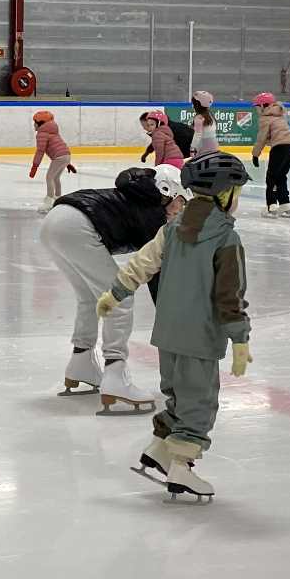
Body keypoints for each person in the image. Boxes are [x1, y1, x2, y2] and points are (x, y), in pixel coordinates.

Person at [96, 154, 252, 503]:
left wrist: (115, 293)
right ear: (224, 194)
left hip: (167, 335)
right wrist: (240, 339)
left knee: (178, 394)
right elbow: (230, 295)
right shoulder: (226, 240)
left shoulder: (171, 228)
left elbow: (142, 263)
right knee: (199, 402)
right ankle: (181, 465)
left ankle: (159, 448)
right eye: (237, 192)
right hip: (200, 337)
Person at [39, 162, 175, 412]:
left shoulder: (137, 195)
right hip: (76, 226)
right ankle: (115, 375)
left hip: (53, 223)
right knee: (120, 297)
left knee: (89, 297)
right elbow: (156, 271)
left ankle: (82, 362)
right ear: (167, 193)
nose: (180, 209)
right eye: (179, 201)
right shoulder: (154, 212)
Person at [250, 91, 290, 217]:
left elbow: (262, 138)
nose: (256, 111)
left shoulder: (265, 118)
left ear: (263, 106)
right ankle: (285, 205)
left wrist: (255, 154)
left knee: (271, 176)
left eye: (257, 107)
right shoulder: (279, 115)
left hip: (280, 147)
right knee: (281, 175)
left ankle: (271, 206)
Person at [28, 109, 72, 212]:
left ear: (40, 124)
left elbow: (40, 151)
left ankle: (48, 202)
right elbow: (61, 147)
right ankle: (58, 198)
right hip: (66, 155)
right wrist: (68, 163)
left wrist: (35, 166)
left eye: (35, 122)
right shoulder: (53, 131)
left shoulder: (42, 133)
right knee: (56, 178)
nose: (34, 125)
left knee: (49, 177)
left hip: (59, 157)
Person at [186, 91, 220, 157]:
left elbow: (198, 135)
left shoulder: (199, 118)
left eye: (194, 103)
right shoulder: (210, 115)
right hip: (214, 145)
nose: (192, 106)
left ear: (198, 105)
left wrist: (192, 148)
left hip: (204, 147)